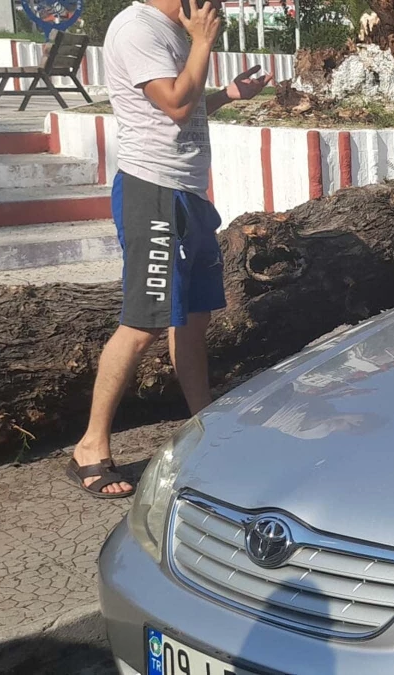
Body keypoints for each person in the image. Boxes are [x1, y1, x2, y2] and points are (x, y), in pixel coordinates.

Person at [66, 0, 267, 497]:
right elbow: (175, 103)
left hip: (188, 193)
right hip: (152, 191)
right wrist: (202, 42)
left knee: (193, 317)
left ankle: (204, 427)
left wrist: (227, 94)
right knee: (144, 323)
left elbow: (187, 105)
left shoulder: (172, 30)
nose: (218, 5)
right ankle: (90, 447)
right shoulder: (137, 29)